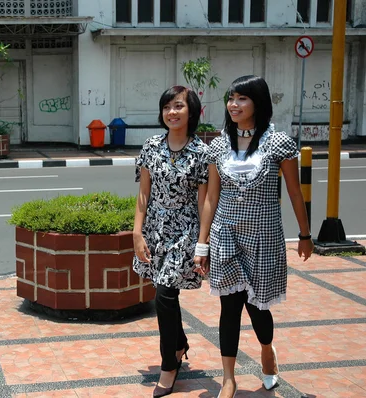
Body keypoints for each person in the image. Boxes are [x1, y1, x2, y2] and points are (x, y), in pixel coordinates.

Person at [194, 75, 314, 398]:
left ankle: (266, 349)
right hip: (226, 235)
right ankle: (229, 377)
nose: (234, 105)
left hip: (264, 237)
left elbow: (293, 190)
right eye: (231, 98)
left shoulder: (277, 143)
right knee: (229, 307)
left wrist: (305, 234)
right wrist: (202, 244)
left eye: (242, 99)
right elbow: (211, 198)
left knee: (257, 307)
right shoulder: (218, 145)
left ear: (258, 103)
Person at [133, 85, 209, 397]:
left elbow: (206, 202)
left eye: (178, 106)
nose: (171, 112)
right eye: (167, 106)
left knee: (165, 293)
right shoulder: (151, 146)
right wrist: (137, 232)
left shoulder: (202, 153)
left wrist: (202, 244)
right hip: (154, 228)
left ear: (192, 112)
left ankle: (168, 365)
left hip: (186, 231)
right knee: (162, 290)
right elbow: (143, 192)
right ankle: (179, 344)